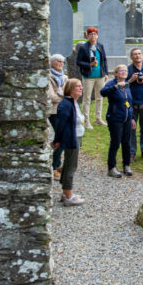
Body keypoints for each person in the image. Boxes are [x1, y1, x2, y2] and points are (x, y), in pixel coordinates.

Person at [52, 78, 86, 206]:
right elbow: (60, 125)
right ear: (70, 89)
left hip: (76, 136)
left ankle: (65, 191)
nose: (81, 88)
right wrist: (58, 140)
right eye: (78, 86)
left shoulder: (74, 102)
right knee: (71, 165)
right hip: (71, 138)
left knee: (68, 164)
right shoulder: (66, 104)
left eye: (81, 86)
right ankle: (68, 195)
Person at [100, 65, 136, 177]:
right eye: (121, 71)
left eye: (126, 71)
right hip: (115, 118)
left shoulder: (127, 85)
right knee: (115, 142)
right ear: (116, 73)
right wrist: (115, 87)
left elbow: (128, 102)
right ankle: (111, 168)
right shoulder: (112, 84)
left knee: (126, 142)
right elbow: (103, 92)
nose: (124, 72)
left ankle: (126, 165)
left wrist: (132, 117)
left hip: (127, 118)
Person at [76, 26, 109, 129]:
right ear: (87, 36)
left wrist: (106, 73)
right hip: (88, 76)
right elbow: (78, 62)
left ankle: (98, 118)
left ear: (97, 36)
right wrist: (89, 65)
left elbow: (104, 60)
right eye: (91, 34)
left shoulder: (100, 46)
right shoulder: (84, 48)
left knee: (100, 98)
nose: (93, 36)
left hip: (100, 75)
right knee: (87, 98)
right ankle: (86, 121)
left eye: (94, 34)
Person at [47, 53, 66, 180]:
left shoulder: (65, 77)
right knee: (61, 137)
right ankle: (55, 166)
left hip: (64, 110)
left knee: (62, 137)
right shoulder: (48, 77)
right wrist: (63, 95)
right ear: (52, 63)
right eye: (58, 61)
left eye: (62, 61)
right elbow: (50, 96)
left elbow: (71, 94)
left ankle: (51, 148)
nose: (60, 63)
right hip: (54, 111)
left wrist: (59, 94)